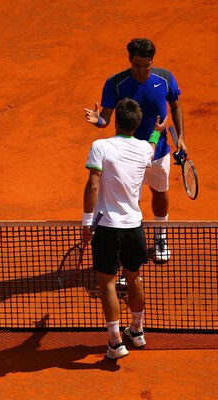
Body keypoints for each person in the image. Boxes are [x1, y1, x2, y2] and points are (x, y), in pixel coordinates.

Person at [84, 37, 187, 263]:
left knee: (160, 193)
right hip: (127, 158)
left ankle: (161, 235)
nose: (141, 70)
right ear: (130, 60)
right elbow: (106, 118)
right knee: (131, 200)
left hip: (158, 152)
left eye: (146, 65)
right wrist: (98, 121)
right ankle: (130, 245)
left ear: (152, 61)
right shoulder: (116, 83)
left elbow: (176, 106)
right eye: (136, 65)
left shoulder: (165, 78)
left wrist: (180, 138)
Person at [83, 98, 167, 359]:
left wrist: (87, 222)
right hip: (135, 227)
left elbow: (93, 184)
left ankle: (116, 341)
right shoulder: (144, 150)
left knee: (107, 283)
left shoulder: (100, 146)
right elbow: (152, 146)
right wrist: (156, 131)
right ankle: (138, 331)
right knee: (134, 278)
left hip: (107, 228)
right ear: (137, 124)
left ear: (116, 121)